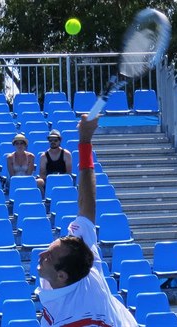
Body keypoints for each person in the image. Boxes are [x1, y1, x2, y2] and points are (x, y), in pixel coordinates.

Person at [35, 114, 138, 326]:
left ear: (62, 276)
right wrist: (85, 142)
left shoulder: (79, 318)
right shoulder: (82, 260)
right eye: (48, 250)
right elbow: (87, 205)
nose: (42, 254)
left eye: (48, 257)